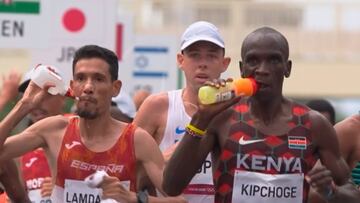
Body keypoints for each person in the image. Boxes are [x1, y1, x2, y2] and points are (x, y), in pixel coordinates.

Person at [163, 27, 349, 203]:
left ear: (288, 68)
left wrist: (329, 192)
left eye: (274, 60)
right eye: (253, 61)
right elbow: (171, 186)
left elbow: (351, 194)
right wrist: (200, 119)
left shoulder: (313, 124)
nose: (262, 69)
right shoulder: (222, 120)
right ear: (242, 68)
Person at [0, 45, 185, 202]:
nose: (88, 87)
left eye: (98, 79)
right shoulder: (54, 129)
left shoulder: (137, 140)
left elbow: (179, 200)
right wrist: (24, 105)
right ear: (72, 87)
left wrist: (134, 198)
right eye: (81, 78)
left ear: (115, 88)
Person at [134, 21, 231, 202]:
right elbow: (125, 169)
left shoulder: (236, 112)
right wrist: (160, 160)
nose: (202, 64)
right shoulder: (158, 106)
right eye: (194, 56)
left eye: (211, 56)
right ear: (181, 60)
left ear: (224, 63)